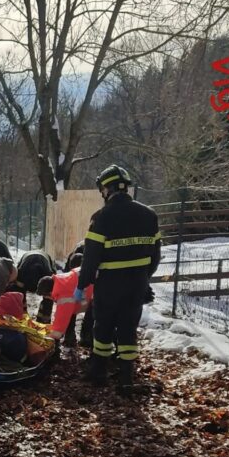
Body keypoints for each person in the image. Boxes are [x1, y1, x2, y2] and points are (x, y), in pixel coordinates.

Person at [76, 165, 161, 394]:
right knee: (127, 328)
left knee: (103, 327)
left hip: (109, 284)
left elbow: (90, 258)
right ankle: (126, 378)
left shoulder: (102, 217)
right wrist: (143, 277)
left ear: (106, 189)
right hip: (137, 284)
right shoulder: (149, 215)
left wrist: (82, 285)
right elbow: (155, 256)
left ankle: (98, 373)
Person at [35, 271, 92, 346]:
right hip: (95, 279)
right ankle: (72, 339)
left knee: (92, 322)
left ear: (49, 293)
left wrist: (49, 338)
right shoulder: (60, 279)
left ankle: (89, 344)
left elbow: (60, 325)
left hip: (98, 294)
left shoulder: (64, 297)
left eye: (46, 296)